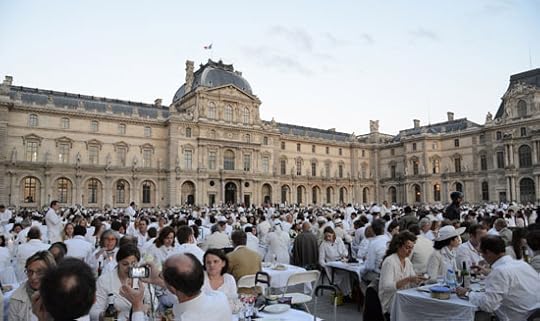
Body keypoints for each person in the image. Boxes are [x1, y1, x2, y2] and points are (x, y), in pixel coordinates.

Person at [456, 236, 540, 321]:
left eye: (482, 254)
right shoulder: (522, 264)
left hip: (519, 317)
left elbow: (488, 305)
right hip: (533, 312)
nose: (483, 257)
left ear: (488, 253)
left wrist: (467, 293)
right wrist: (488, 272)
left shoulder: (500, 271)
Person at [89, 244, 154, 320]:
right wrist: (105, 315)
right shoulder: (104, 280)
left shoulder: (142, 278)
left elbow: (152, 301)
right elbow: (94, 311)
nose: (130, 267)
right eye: (125, 264)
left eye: (133, 263)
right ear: (118, 262)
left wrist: (146, 307)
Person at [379, 231, 425, 317]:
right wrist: (408, 279)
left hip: (403, 299)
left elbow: (412, 283)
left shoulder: (407, 261)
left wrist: (418, 280)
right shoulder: (390, 262)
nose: (410, 251)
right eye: (407, 247)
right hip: (390, 303)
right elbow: (387, 287)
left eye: (412, 248)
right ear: (398, 246)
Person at [8, 251, 56, 321]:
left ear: (51, 272)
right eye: (30, 271)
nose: (33, 277)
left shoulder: (63, 295)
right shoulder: (16, 298)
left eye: (40, 272)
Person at [319, 226, 350, 298]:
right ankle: (345, 294)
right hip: (331, 266)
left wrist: (344, 255)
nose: (328, 238)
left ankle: (348, 293)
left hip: (341, 262)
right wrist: (326, 266)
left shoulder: (339, 240)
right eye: (326, 236)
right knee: (345, 275)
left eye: (329, 236)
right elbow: (321, 260)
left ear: (333, 234)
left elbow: (345, 251)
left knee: (350, 273)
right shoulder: (323, 244)